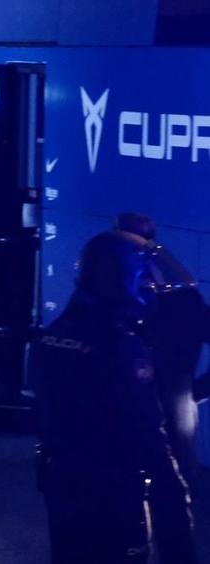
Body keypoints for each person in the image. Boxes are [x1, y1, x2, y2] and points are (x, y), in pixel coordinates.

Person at [32, 231, 197, 564]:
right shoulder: (119, 345)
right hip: (112, 485)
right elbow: (147, 434)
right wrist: (174, 501)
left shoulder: (55, 335)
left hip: (62, 478)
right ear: (126, 278)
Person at [114, 213, 210, 501]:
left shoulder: (117, 291)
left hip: (155, 390)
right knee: (177, 474)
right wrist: (195, 391)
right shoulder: (183, 295)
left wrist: (194, 391)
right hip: (172, 390)